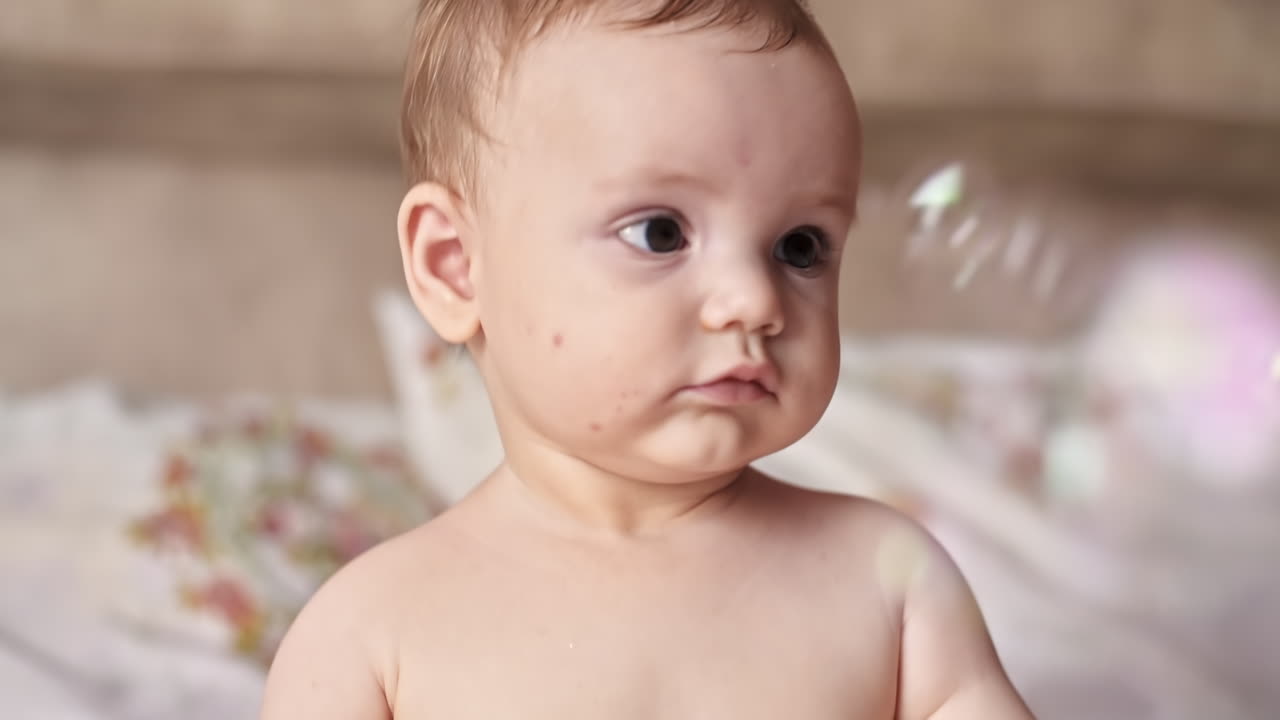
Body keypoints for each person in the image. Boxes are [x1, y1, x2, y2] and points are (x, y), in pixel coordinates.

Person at [261, 1, 1034, 717]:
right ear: (456, 266)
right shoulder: (375, 630)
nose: (754, 300)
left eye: (800, 246)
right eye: (660, 232)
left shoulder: (887, 585)